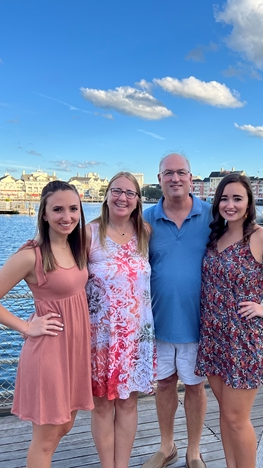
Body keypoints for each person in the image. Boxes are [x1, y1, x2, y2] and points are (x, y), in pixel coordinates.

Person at [0, 181, 93, 468]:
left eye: (73, 209)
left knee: (65, 425)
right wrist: (26, 327)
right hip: (49, 351)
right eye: (58, 209)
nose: (67, 216)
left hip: (75, 350)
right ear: (44, 214)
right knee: (46, 440)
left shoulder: (76, 246)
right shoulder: (31, 255)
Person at [195, 173, 263, 468]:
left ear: (249, 202)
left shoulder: (261, 238)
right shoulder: (216, 235)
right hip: (214, 337)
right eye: (224, 199)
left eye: (237, 198)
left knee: (236, 418)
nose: (230, 205)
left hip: (243, 340)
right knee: (226, 413)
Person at [143, 153, 212, 468]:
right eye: (168, 173)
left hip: (198, 322)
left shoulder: (212, 216)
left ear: (190, 178)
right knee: (165, 384)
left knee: (196, 387)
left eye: (181, 172)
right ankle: (167, 445)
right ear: (159, 179)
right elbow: (107, 233)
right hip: (158, 320)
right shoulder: (144, 219)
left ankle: (193, 451)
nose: (175, 178)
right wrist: (43, 241)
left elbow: (246, 234)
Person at [85, 172, 156, 468]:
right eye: (116, 191)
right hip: (101, 337)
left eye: (130, 193)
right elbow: (63, 272)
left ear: (138, 200)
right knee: (102, 406)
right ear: (106, 195)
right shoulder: (89, 233)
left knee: (128, 404)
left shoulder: (145, 233)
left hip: (136, 337)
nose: (122, 198)